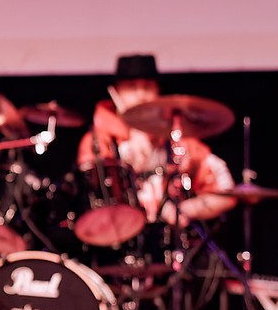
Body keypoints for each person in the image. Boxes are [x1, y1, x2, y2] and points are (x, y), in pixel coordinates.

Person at [76, 53, 235, 229]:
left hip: (169, 238)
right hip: (116, 234)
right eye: (132, 87)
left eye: (147, 87)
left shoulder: (176, 138)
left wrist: (187, 209)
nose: (141, 95)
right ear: (116, 91)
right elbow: (91, 193)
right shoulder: (99, 141)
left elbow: (224, 188)